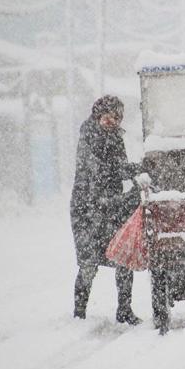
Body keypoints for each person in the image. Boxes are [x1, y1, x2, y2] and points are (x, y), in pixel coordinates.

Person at [70, 95, 142, 325]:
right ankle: (79, 314)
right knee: (89, 264)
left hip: (112, 206)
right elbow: (98, 172)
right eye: (109, 116)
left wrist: (138, 170)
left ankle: (124, 310)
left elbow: (119, 170)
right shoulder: (88, 138)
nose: (113, 121)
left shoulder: (115, 139)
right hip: (87, 209)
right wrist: (130, 174)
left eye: (118, 117)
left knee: (122, 256)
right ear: (98, 115)